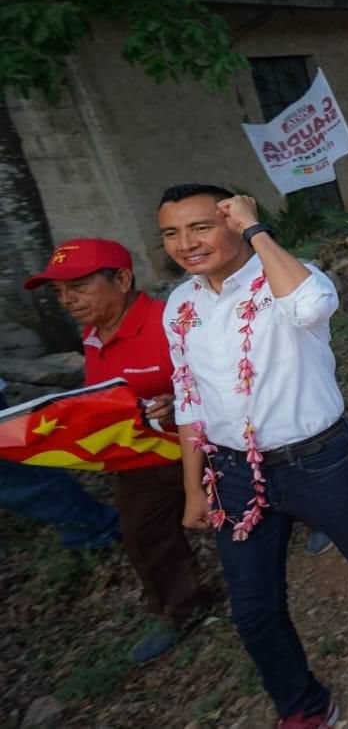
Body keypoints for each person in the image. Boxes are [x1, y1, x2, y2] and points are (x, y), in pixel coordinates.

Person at [159, 184, 348, 729]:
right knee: (252, 609)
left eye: (200, 226)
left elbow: (313, 306)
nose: (185, 244)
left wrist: (256, 229)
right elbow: (188, 396)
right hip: (234, 472)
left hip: (318, 460)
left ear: (233, 220)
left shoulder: (293, 276)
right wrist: (195, 487)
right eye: (172, 233)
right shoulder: (181, 304)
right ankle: (304, 705)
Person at [22, 240, 211, 661]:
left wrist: (180, 401)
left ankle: (324, 521)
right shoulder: (92, 336)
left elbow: (228, 380)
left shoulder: (170, 322)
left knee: (265, 497)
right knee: (141, 532)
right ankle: (180, 608)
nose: (67, 301)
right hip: (140, 457)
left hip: (203, 444)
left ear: (122, 279)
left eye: (79, 286)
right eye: (58, 292)